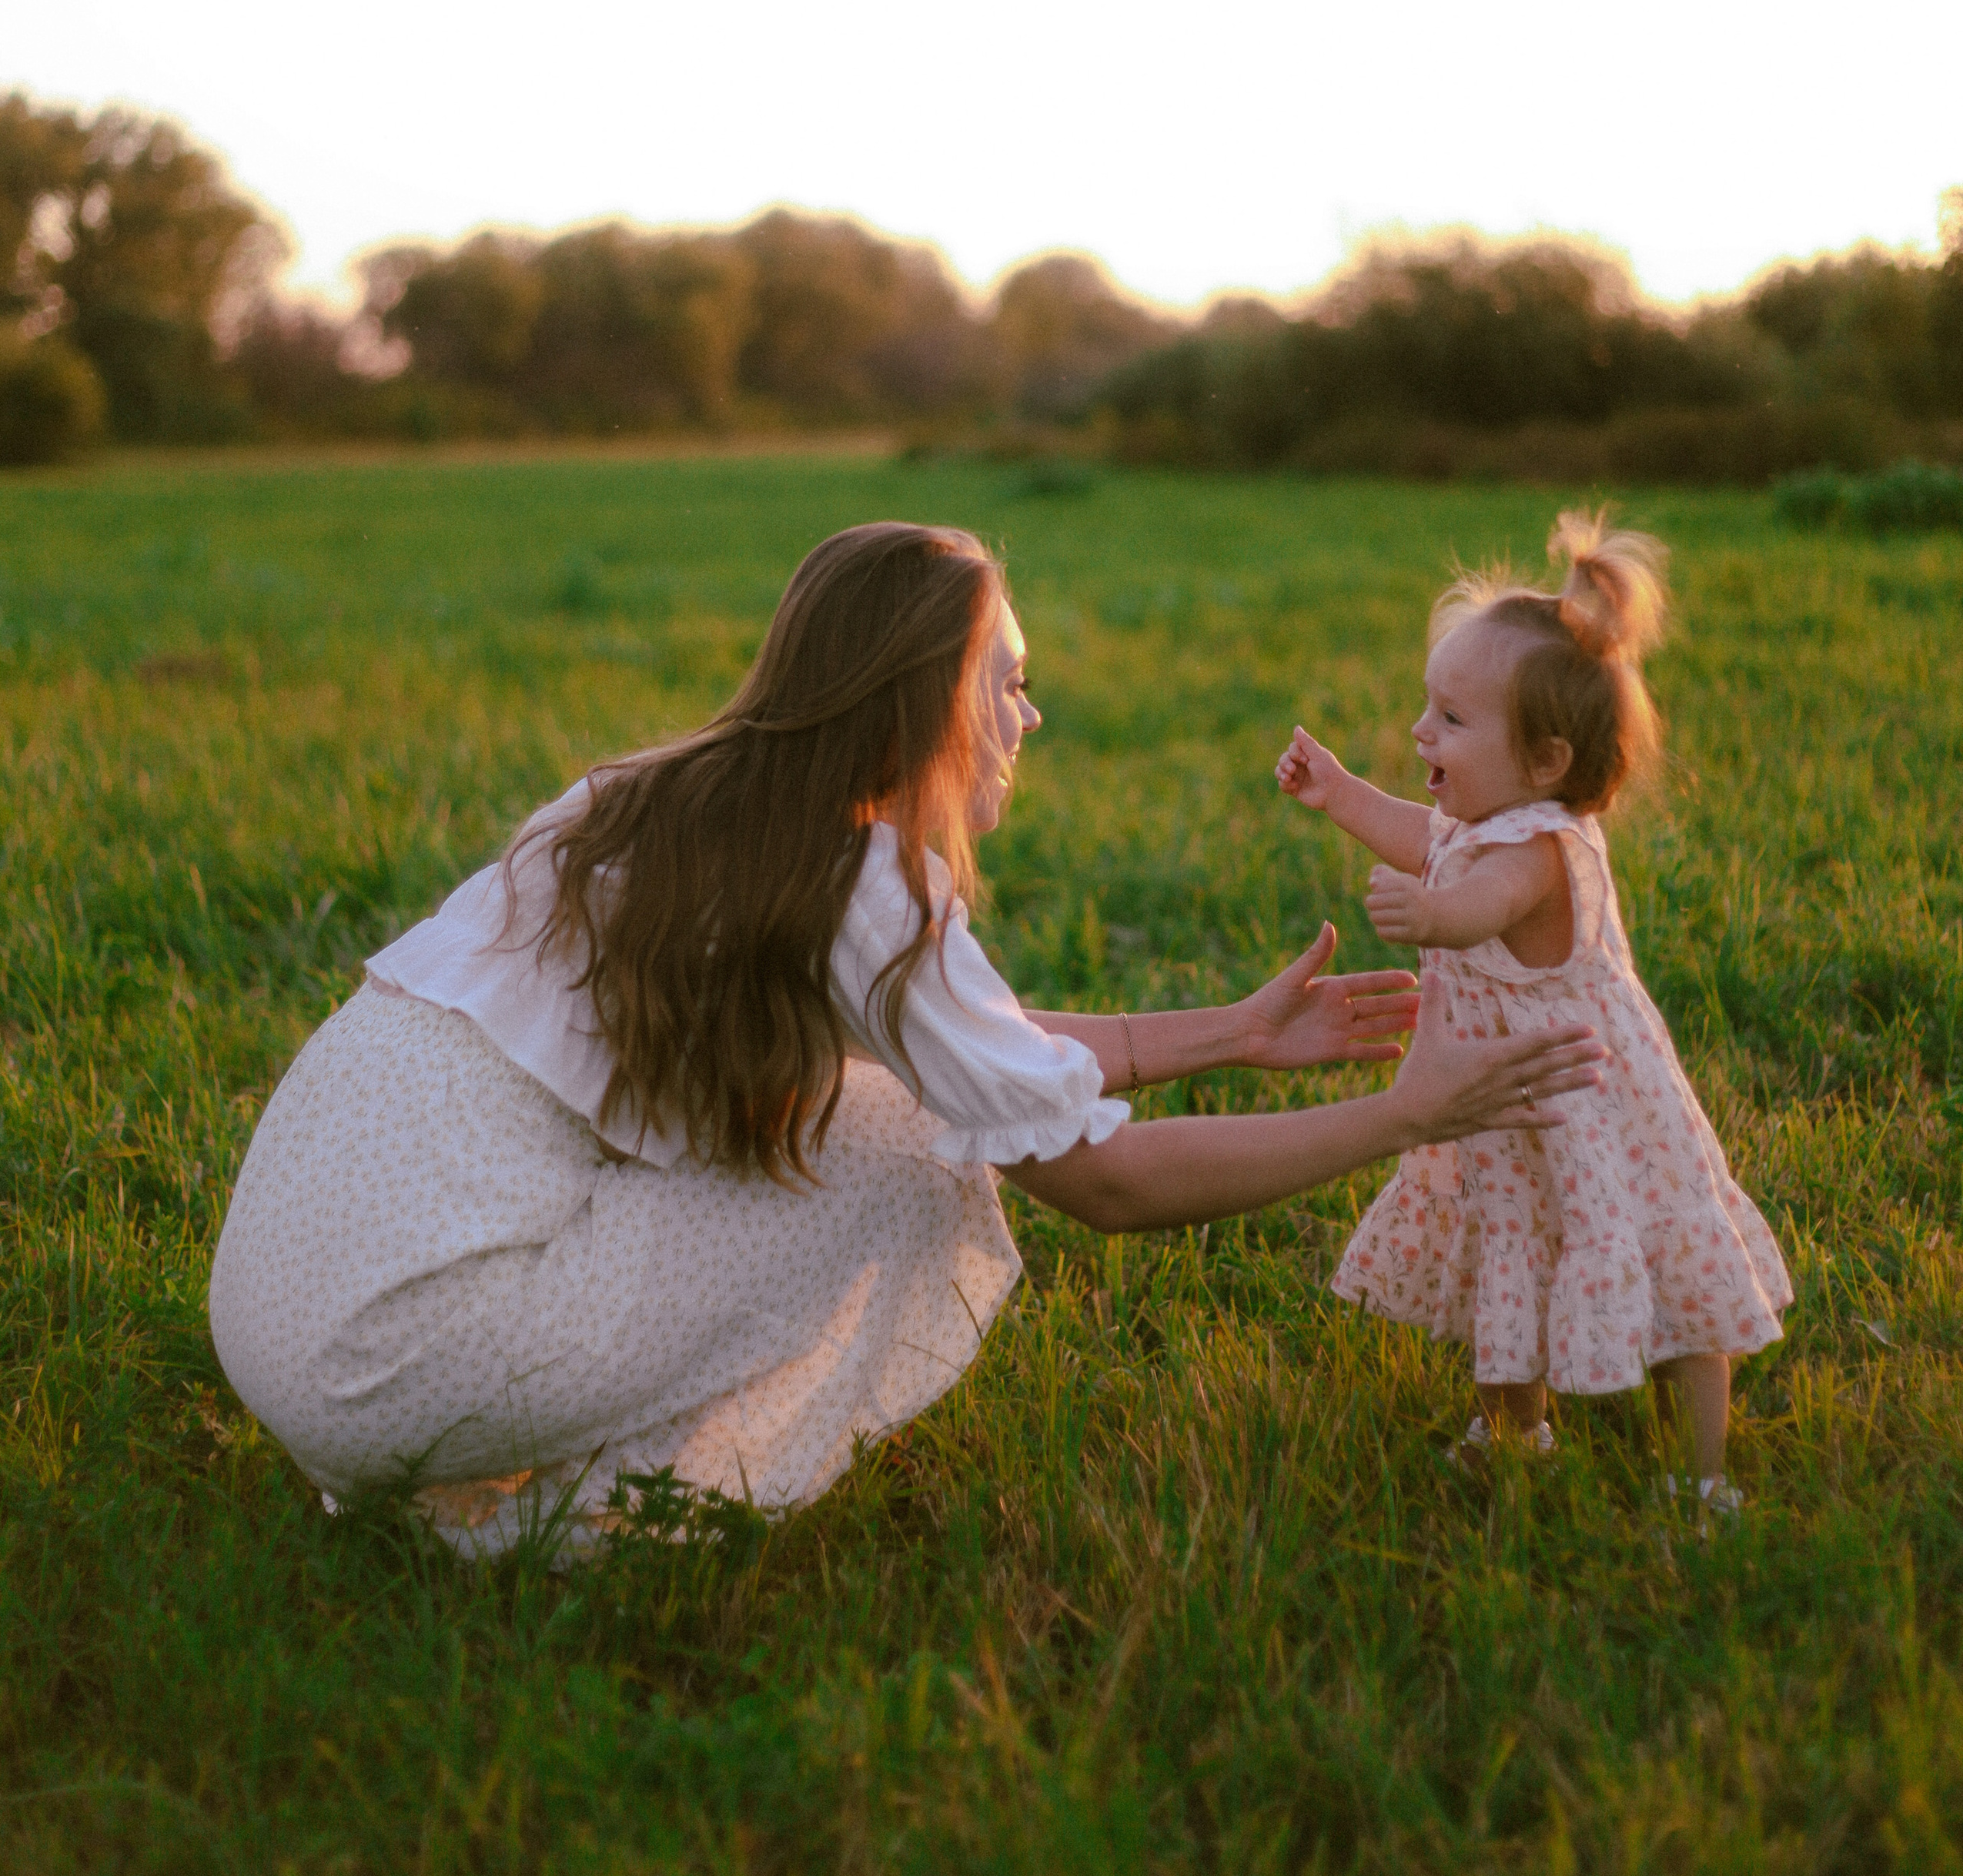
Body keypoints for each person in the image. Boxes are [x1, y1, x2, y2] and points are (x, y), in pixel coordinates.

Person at [210, 521, 1606, 1557]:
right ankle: (554, 1530)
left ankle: (443, 1471)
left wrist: (1231, 1034)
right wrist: (1403, 1114)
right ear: (927, 694)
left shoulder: (639, 795)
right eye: (1006, 680)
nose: (1028, 714)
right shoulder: (864, 885)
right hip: (400, 1358)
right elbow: (1097, 1181)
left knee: (897, 1108)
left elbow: (947, 1048)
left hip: (284, 1322)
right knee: (919, 1161)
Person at [1276, 510, 1791, 1517]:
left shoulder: (1539, 849)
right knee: (1503, 1260)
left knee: (1670, 1271)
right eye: (1428, 708)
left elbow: (1480, 908)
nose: (1422, 733)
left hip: (1592, 1111)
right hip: (1507, 1115)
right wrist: (1339, 793)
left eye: (1452, 721)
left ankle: (1705, 1473)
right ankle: (1515, 1428)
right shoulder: (1478, 820)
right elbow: (1413, 832)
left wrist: (1428, 913)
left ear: (1547, 762)